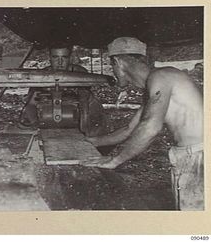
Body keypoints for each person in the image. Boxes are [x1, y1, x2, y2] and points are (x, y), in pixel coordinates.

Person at [80, 37, 203, 211]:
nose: (113, 71)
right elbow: (129, 129)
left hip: (200, 155)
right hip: (188, 156)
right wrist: (88, 141)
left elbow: (150, 127)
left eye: (112, 66)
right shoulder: (155, 86)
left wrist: (115, 160)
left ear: (117, 62)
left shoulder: (162, 76)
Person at [18, 45, 87, 127]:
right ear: (50, 57)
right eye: (55, 57)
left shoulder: (80, 74)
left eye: (64, 57)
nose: (60, 62)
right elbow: (31, 105)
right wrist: (35, 123)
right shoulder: (42, 76)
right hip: (47, 122)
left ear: (70, 58)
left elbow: (89, 104)